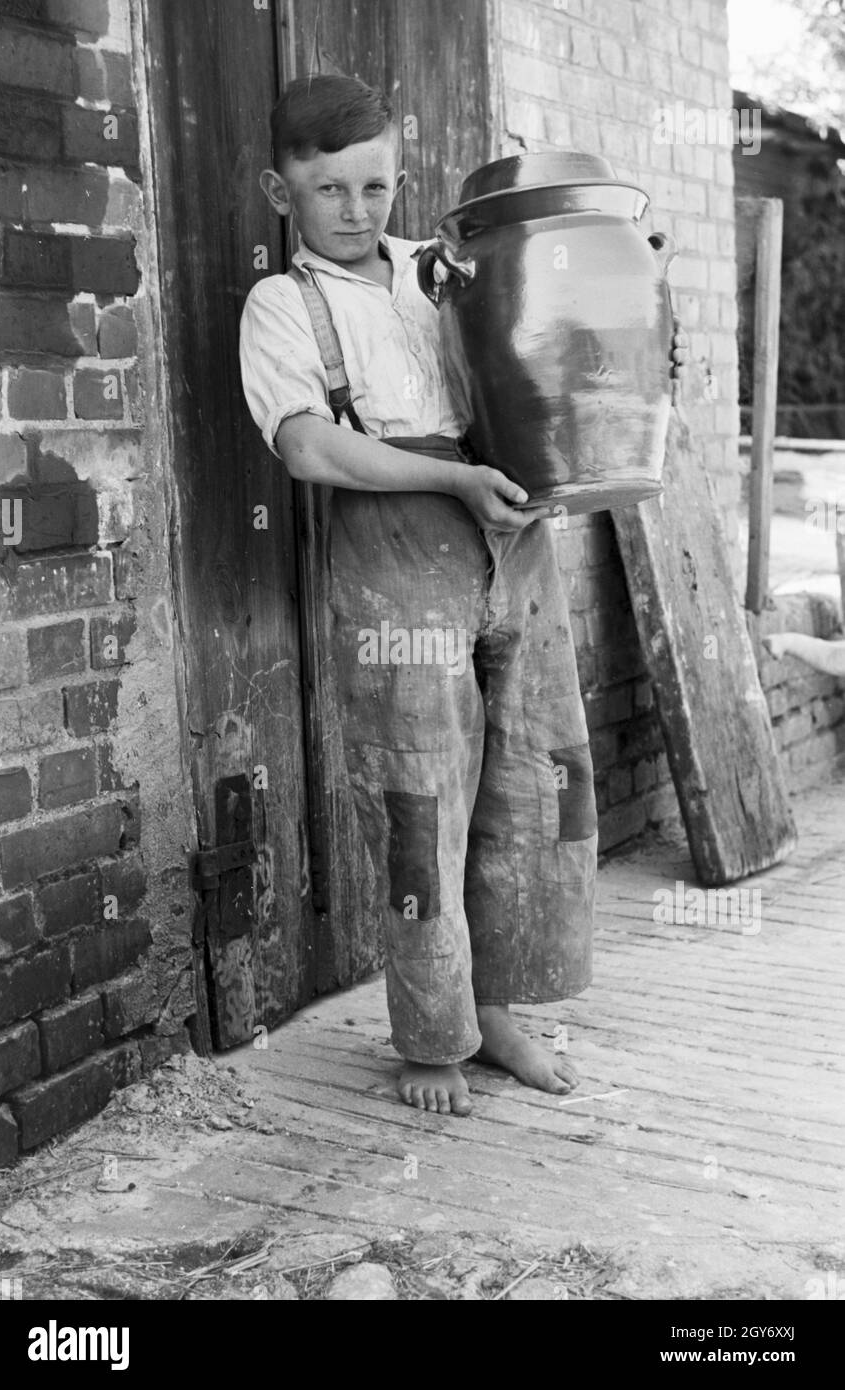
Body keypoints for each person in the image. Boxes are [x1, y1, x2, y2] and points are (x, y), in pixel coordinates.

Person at [240, 74, 687, 1116]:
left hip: (514, 537)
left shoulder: (447, 267)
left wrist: (584, 420)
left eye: (376, 185)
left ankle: (503, 1010)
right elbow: (309, 447)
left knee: (538, 778)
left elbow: (541, 361)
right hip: (398, 557)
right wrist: (453, 478)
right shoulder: (283, 303)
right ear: (281, 189)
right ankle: (433, 1037)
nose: (359, 210)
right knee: (420, 801)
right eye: (331, 191)